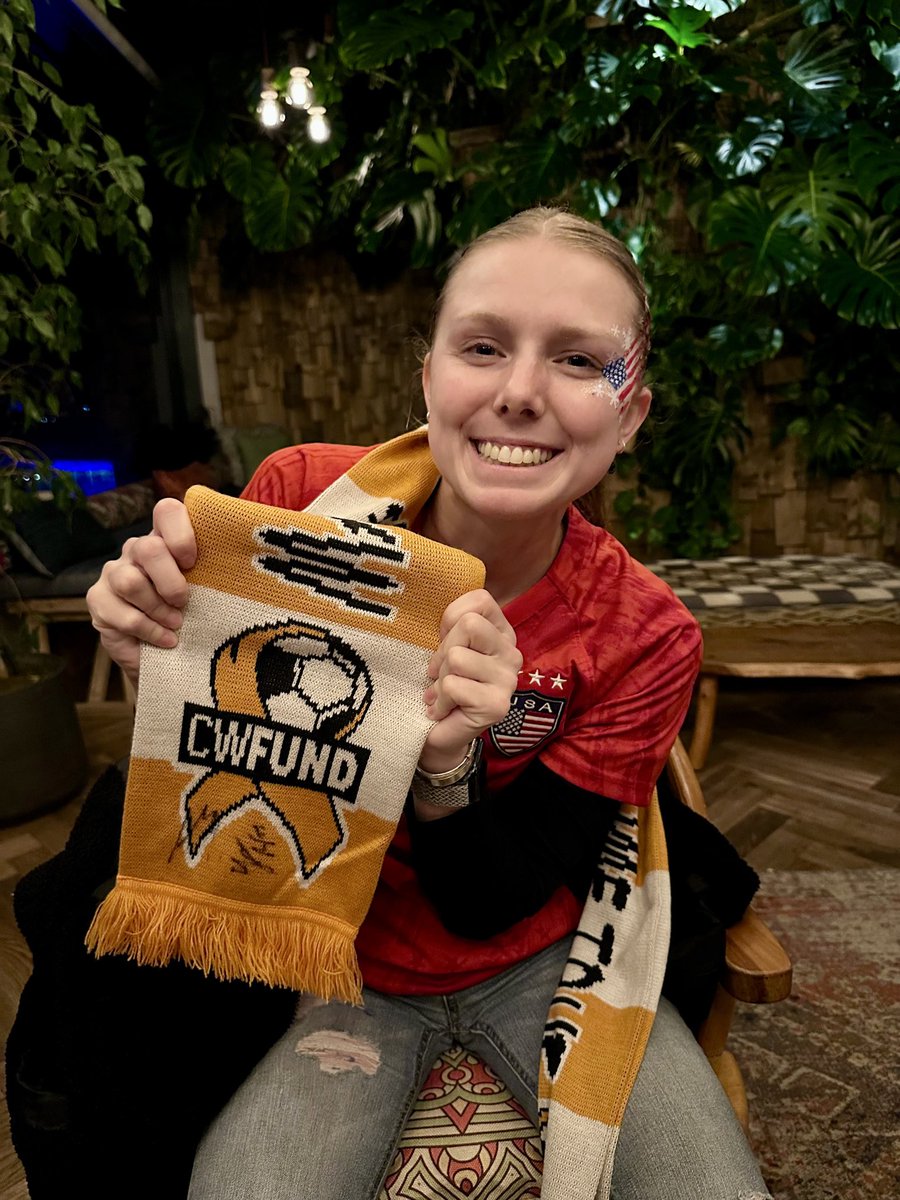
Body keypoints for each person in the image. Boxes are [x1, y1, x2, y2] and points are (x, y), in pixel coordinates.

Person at [86, 207, 772, 1200]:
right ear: (428, 374)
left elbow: (492, 900)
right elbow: (232, 773)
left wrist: (450, 763)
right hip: (337, 968)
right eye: (483, 346)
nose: (521, 392)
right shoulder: (298, 507)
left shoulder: (642, 634)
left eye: (581, 362)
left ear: (629, 414)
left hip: (551, 965)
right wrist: (162, 663)